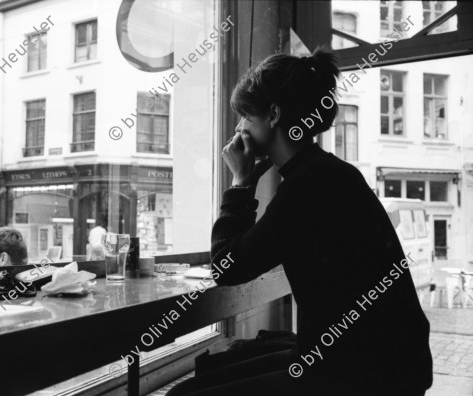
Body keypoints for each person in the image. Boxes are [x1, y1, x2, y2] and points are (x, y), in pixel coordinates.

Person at [167, 48, 432, 396]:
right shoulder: (329, 173)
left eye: (245, 115)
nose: (238, 128)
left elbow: (227, 266)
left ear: (274, 114)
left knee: (180, 394)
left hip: (359, 374)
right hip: (381, 359)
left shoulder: (308, 185)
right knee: (219, 365)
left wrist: (240, 183)